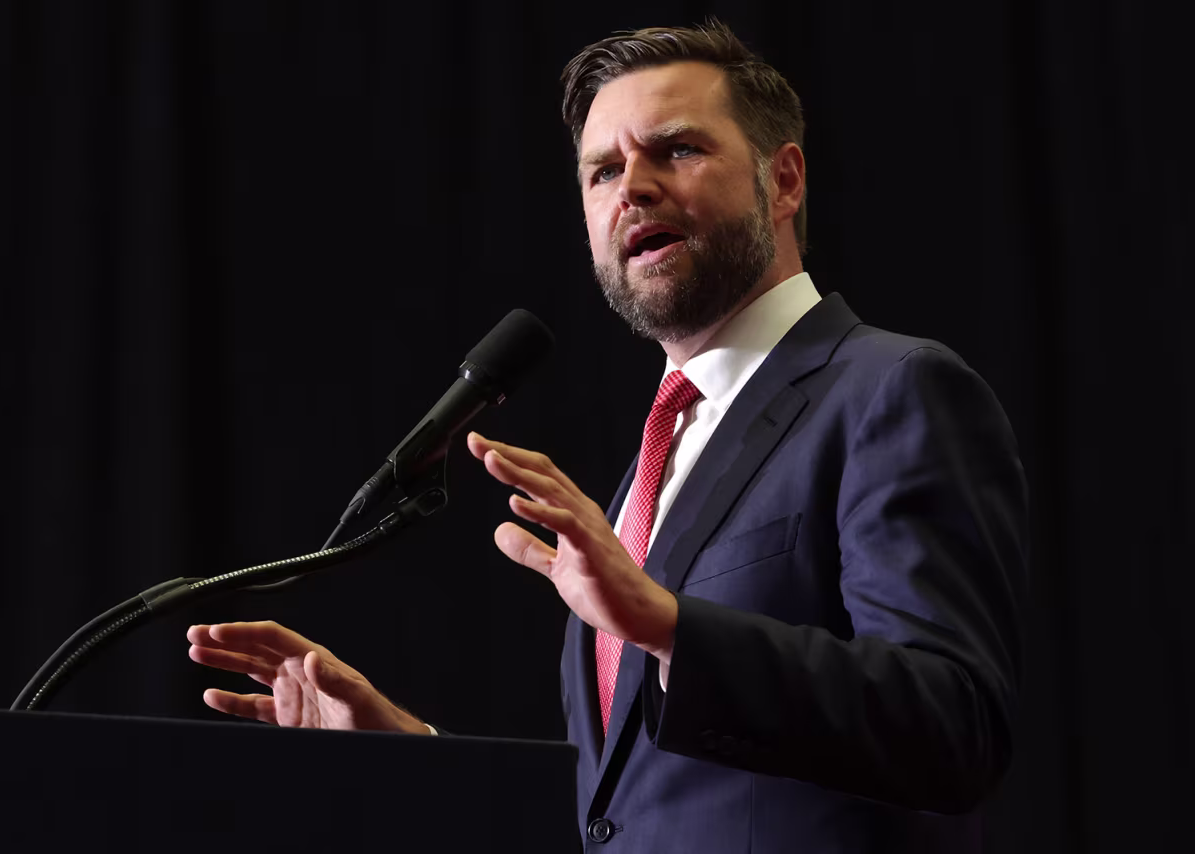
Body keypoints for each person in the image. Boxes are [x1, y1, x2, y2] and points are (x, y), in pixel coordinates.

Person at [187, 21, 1027, 853]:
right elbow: (621, 822)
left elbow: (953, 726)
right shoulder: (648, 475)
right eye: (603, 171)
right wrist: (410, 758)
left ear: (785, 180)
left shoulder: (891, 391)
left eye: (677, 150)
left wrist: (668, 624)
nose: (634, 187)